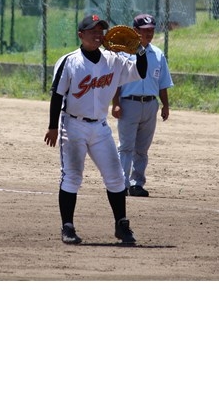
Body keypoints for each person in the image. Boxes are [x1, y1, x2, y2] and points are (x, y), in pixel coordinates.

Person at [44, 13, 148, 245]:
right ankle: (68, 227)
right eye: (92, 31)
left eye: (101, 31)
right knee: (72, 176)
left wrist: (140, 50)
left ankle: (122, 225)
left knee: (116, 177)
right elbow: (57, 95)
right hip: (73, 125)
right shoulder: (69, 61)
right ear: (81, 35)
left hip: (100, 127)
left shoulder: (113, 60)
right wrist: (52, 127)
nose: (98, 35)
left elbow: (140, 71)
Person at [111, 13, 173, 197]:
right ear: (135, 31)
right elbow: (117, 81)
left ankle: (137, 183)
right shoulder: (124, 54)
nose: (149, 33)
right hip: (129, 104)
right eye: (145, 30)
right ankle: (121, 184)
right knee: (126, 146)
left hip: (150, 105)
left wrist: (165, 105)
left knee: (142, 149)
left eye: (151, 30)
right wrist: (116, 103)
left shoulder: (158, 54)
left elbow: (162, 83)